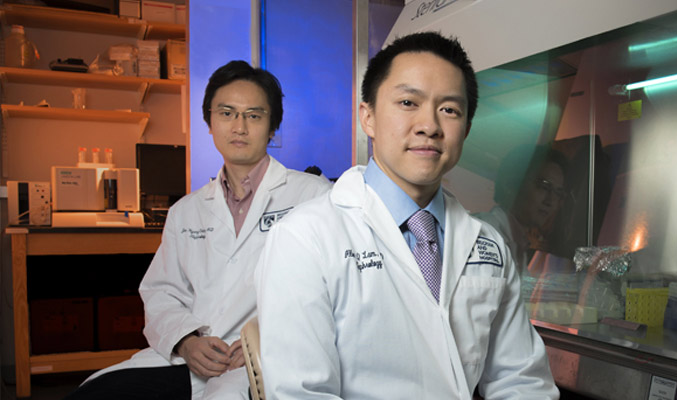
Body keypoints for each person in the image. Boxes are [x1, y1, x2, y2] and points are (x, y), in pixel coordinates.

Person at [255, 32, 559, 399]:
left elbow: (521, 379)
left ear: (466, 130)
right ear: (368, 117)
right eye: (408, 102)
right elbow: (302, 393)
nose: (429, 126)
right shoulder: (304, 238)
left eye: (449, 110)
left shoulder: (487, 245)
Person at [65, 60, 331, 400]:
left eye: (253, 115)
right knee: (92, 395)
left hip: (271, 356)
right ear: (209, 122)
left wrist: (267, 336)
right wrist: (186, 341)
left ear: (272, 127)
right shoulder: (185, 211)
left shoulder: (312, 196)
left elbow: (333, 289)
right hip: (194, 358)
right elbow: (162, 292)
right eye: (227, 113)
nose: (239, 127)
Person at [476, 145, 570, 273]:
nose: (551, 201)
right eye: (544, 186)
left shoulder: (519, 247)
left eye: (558, 193)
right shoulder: (486, 233)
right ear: (511, 185)